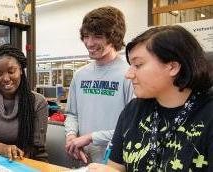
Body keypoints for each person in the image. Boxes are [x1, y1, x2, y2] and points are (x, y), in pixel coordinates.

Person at [89, 25, 213, 171]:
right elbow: (116, 166)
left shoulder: (208, 114)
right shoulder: (133, 110)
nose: (129, 74)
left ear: (173, 67)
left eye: (138, 65)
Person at [64, 6, 134, 164]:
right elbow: (72, 114)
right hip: (84, 161)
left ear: (114, 37)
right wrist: (71, 137)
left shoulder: (129, 74)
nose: (89, 43)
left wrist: (90, 138)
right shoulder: (80, 75)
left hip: (117, 163)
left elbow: (131, 127)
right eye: (86, 36)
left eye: (97, 36)